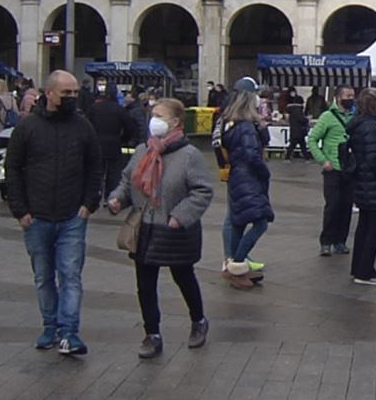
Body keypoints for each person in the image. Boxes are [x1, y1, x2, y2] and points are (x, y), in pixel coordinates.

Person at [7, 70, 103, 355]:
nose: (73, 98)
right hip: (36, 216)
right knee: (43, 276)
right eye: (66, 93)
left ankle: (69, 331)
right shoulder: (28, 127)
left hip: (73, 214)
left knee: (71, 275)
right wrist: (20, 209)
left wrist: (89, 203)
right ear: (49, 93)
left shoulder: (83, 126)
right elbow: (12, 168)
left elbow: (94, 166)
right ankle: (50, 326)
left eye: (75, 93)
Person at [108, 99, 213, 359]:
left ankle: (198, 320)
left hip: (175, 230)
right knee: (145, 284)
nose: (152, 120)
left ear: (175, 122)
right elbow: (128, 179)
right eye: (152, 114)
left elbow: (202, 191)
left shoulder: (190, 156)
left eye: (159, 115)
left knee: (184, 278)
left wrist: (179, 216)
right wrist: (118, 198)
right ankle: (152, 333)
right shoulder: (143, 150)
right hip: (144, 228)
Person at [220, 89, 272, 289]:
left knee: (239, 222)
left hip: (236, 176)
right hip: (248, 177)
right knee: (260, 222)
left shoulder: (232, 126)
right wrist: (264, 172)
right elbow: (252, 155)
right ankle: (237, 263)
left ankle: (234, 263)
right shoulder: (247, 128)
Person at [345, 88, 376, 286]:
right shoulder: (371, 127)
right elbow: (373, 157)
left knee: (364, 227)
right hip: (373, 184)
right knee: (374, 228)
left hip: (363, 182)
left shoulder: (359, 124)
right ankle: (365, 271)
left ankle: (360, 266)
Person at [307, 84, 356, 256]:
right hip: (333, 168)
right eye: (347, 95)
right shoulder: (327, 117)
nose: (350, 99)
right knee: (333, 206)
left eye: (352, 95)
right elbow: (312, 140)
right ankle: (326, 241)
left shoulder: (355, 116)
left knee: (347, 206)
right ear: (338, 97)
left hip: (350, 168)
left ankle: (340, 241)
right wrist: (322, 160)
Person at [86, 83, 136, 199]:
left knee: (97, 171)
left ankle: (95, 195)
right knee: (113, 173)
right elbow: (130, 127)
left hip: (96, 143)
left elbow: (86, 125)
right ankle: (110, 196)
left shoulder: (94, 108)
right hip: (114, 143)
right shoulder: (119, 110)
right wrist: (124, 139)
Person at [284, 89, 309, 161]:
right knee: (301, 145)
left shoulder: (291, 110)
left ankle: (288, 158)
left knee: (294, 145)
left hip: (294, 130)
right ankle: (306, 158)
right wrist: (307, 120)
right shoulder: (298, 110)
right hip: (299, 130)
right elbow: (301, 119)